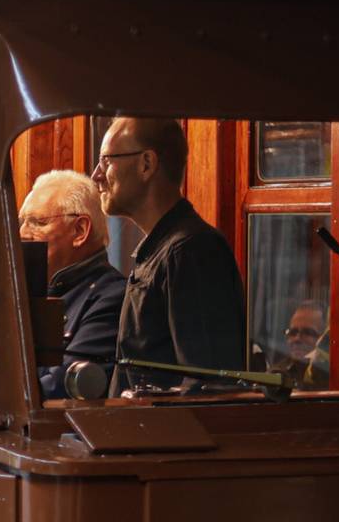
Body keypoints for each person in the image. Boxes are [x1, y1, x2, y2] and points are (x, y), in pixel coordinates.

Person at [93, 117, 245, 391]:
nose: (96, 175)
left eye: (106, 161)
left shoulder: (191, 251)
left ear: (146, 164)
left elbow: (208, 387)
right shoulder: (165, 249)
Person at [18, 170, 123, 399]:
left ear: (80, 231)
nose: (23, 234)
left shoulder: (113, 298)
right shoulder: (26, 294)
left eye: (37, 222)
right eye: (22, 222)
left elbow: (57, 389)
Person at [270, 299, 331, 391]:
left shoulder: (331, 374)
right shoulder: (278, 372)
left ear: (323, 339)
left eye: (308, 332)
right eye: (293, 332)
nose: (297, 339)